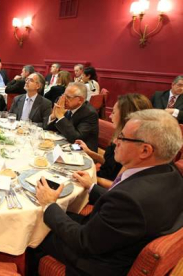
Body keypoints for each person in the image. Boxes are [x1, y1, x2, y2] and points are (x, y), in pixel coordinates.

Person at [33, 109, 183, 276]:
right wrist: (91, 186)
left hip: (96, 263)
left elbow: (83, 241)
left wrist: (49, 204)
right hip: (115, 240)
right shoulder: (171, 173)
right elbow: (125, 213)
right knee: (59, 214)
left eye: (122, 138)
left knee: (34, 228)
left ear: (145, 151)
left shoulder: (130, 200)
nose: (115, 142)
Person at [76, 93, 153, 188]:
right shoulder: (120, 134)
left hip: (103, 189)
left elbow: (117, 185)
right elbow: (111, 164)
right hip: (100, 177)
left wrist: (92, 180)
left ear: (125, 116)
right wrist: (90, 152)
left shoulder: (133, 146)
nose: (110, 116)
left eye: (113, 112)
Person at [46, 82, 99, 152]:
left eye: (68, 97)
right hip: (66, 144)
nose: (63, 99)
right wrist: (53, 116)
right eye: (63, 95)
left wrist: (61, 117)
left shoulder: (90, 113)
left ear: (80, 100)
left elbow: (76, 138)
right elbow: (49, 128)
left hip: (82, 151)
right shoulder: (66, 106)